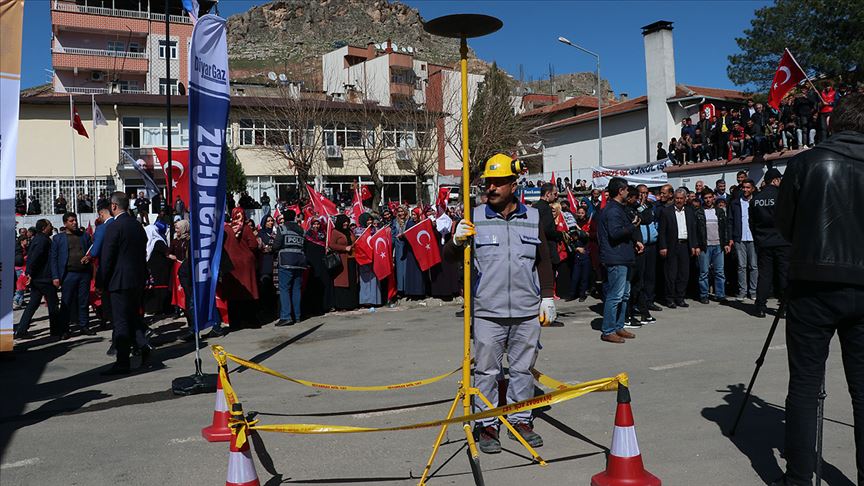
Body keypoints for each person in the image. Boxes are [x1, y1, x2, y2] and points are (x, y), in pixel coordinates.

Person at [772, 93, 864, 486]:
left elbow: (784, 223)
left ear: (833, 123)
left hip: (812, 283)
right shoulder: (808, 161)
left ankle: (797, 479)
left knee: (805, 384)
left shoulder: (807, 162)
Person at [444, 153, 555, 453]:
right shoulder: (474, 216)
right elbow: (449, 257)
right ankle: (488, 424)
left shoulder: (532, 217)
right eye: (488, 183)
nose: (490, 188)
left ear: (513, 184)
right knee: (487, 371)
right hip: (487, 311)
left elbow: (544, 260)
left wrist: (547, 296)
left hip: (526, 310)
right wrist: (455, 241)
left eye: (497, 183)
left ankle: (521, 420)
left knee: (521, 369)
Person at [100, 192, 149, 375]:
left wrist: (102, 280)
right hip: (136, 279)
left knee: (121, 321)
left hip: (119, 280)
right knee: (132, 317)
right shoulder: (137, 225)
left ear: (113, 206)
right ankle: (144, 346)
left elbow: (107, 257)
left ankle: (122, 361)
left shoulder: (114, 226)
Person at [597, 177, 641, 343]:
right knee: (615, 295)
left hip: (623, 256)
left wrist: (635, 241)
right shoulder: (613, 210)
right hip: (616, 258)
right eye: (626, 189)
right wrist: (633, 226)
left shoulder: (619, 208)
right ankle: (608, 330)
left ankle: (618, 326)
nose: (628, 192)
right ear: (621, 191)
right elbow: (615, 233)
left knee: (624, 295)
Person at [750, 168, 791, 318]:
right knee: (783, 274)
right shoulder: (783, 196)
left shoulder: (755, 199)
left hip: (763, 242)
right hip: (782, 241)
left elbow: (752, 223)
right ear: (775, 180)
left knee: (765, 275)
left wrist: (758, 239)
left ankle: (760, 306)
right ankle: (784, 307)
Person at [50, 212, 95, 337]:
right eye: (71, 221)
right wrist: (55, 276)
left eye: (75, 220)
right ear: (65, 223)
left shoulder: (84, 236)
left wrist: (88, 258)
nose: (74, 223)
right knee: (66, 302)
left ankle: (84, 326)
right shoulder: (58, 238)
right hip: (68, 275)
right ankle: (65, 329)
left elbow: (90, 251)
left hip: (84, 274)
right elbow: (53, 259)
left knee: (84, 301)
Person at [15, 219, 61, 340]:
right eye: (50, 226)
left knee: (32, 305)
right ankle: (56, 331)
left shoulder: (38, 239)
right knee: (53, 304)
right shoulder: (43, 241)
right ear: (44, 228)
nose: (51, 228)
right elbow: (35, 258)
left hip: (38, 279)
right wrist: (30, 273)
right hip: (44, 278)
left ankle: (21, 330)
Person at [219, 207, 260, 332]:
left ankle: (234, 322)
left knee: (232, 294)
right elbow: (254, 244)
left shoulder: (226, 229)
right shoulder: (246, 228)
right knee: (248, 291)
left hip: (230, 264)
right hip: (246, 264)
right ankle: (250, 320)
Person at [657, 188, 699, 308]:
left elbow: (692, 230)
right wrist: (663, 246)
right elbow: (662, 231)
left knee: (684, 274)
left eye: (681, 198)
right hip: (671, 246)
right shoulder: (666, 212)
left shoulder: (690, 211)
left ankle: (680, 298)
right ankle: (670, 298)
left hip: (685, 246)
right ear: (674, 198)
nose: (679, 200)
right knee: (671, 274)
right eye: (677, 198)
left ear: (685, 199)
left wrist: (694, 245)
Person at [694, 188, 732, 303]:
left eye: (710, 197)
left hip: (718, 245)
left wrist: (725, 243)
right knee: (704, 272)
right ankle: (704, 295)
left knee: (719, 272)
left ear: (713, 198)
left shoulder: (720, 211)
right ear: (702, 199)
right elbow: (695, 231)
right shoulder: (698, 212)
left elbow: (724, 228)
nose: (708, 200)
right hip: (704, 246)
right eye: (705, 198)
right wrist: (697, 246)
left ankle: (720, 294)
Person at [273, 210, 306, 325]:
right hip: (300, 261)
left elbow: (277, 244)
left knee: (284, 289)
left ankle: (286, 316)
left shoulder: (282, 228)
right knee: (297, 289)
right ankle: (297, 316)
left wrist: (271, 248)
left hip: (286, 261)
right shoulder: (301, 230)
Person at [730, 179, 758, 301]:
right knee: (741, 266)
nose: (745, 190)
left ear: (752, 189)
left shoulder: (756, 201)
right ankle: (742, 291)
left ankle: (753, 291)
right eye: (744, 188)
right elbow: (730, 221)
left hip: (753, 238)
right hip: (740, 238)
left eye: (748, 188)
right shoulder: (735, 203)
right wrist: (731, 238)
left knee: (753, 266)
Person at [302, 218, 333, 317]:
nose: (316, 226)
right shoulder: (307, 236)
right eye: (314, 224)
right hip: (312, 264)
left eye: (318, 224)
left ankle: (325, 306)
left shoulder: (324, 235)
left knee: (324, 284)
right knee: (313, 286)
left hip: (323, 263)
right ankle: (313, 308)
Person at [329, 214, 358, 311]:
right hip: (342, 260)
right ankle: (342, 304)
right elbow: (331, 244)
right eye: (344, 222)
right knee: (342, 282)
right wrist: (344, 248)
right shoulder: (335, 232)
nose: (346, 224)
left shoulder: (349, 231)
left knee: (352, 280)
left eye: (347, 222)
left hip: (352, 259)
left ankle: (352, 303)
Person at [143, 222, 172, 316]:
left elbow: (165, 252)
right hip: (157, 269)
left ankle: (158, 308)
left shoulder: (154, 242)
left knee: (158, 288)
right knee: (156, 288)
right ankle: (157, 308)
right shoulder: (154, 242)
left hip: (157, 269)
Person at [256, 213, 277, 324]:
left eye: (271, 221)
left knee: (272, 289)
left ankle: (272, 310)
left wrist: (270, 248)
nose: (270, 222)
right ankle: (264, 311)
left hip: (274, 263)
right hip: (264, 264)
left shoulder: (274, 234)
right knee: (264, 288)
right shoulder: (260, 233)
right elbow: (261, 248)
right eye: (268, 221)